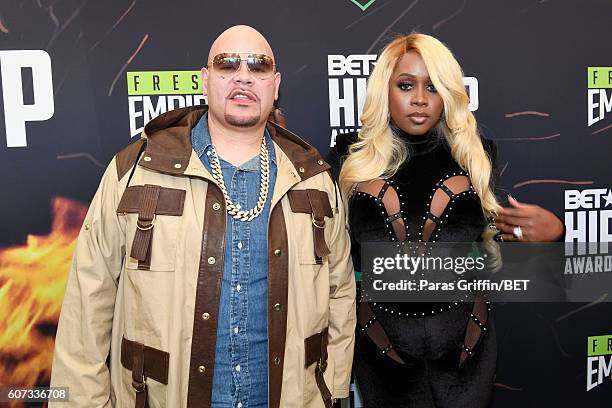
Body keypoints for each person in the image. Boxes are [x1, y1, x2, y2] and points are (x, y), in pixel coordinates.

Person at [50, 25, 355, 408]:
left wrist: (332, 388)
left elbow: (340, 291)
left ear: (274, 86)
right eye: (228, 65)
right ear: (205, 80)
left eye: (258, 67)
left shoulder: (314, 178)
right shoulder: (135, 169)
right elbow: (88, 297)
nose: (244, 76)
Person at [327, 33, 564, 407]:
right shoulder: (351, 158)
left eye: (433, 87)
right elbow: (329, 257)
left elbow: (496, 251)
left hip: (467, 350)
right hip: (381, 352)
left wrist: (552, 235)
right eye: (406, 85)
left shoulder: (472, 154)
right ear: (383, 90)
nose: (419, 99)